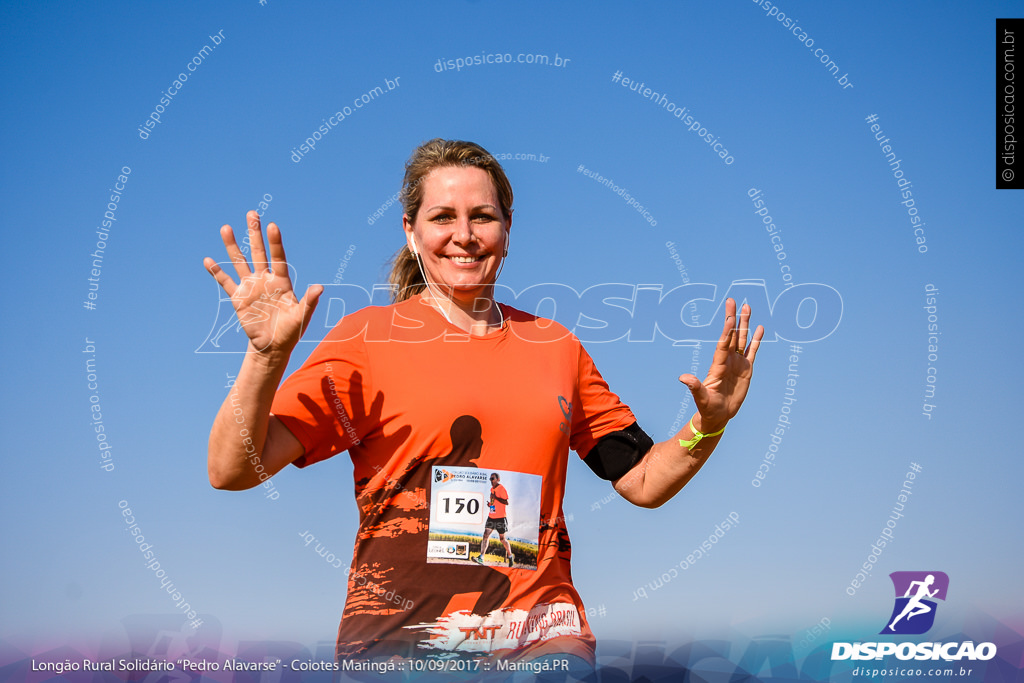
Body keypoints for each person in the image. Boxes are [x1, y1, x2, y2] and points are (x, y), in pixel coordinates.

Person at [204, 139, 764, 673]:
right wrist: (265, 356)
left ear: (508, 228)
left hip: (544, 642)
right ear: (411, 230)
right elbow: (232, 468)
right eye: (443, 217)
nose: (464, 236)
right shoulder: (368, 340)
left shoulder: (557, 347)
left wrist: (707, 425)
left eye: (483, 216)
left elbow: (642, 478)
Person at [475, 473, 514, 567]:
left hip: (501, 518)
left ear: (498, 479)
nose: (491, 480)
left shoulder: (501, 488)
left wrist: (495, 497)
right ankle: (481, 557)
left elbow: (506, 502)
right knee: (485, 535)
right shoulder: (492, 489)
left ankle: (510, 556)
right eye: (490, 479)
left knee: (502, 539)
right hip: (491, 517)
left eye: (493, 478)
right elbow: (494, 502)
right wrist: (490, 505)